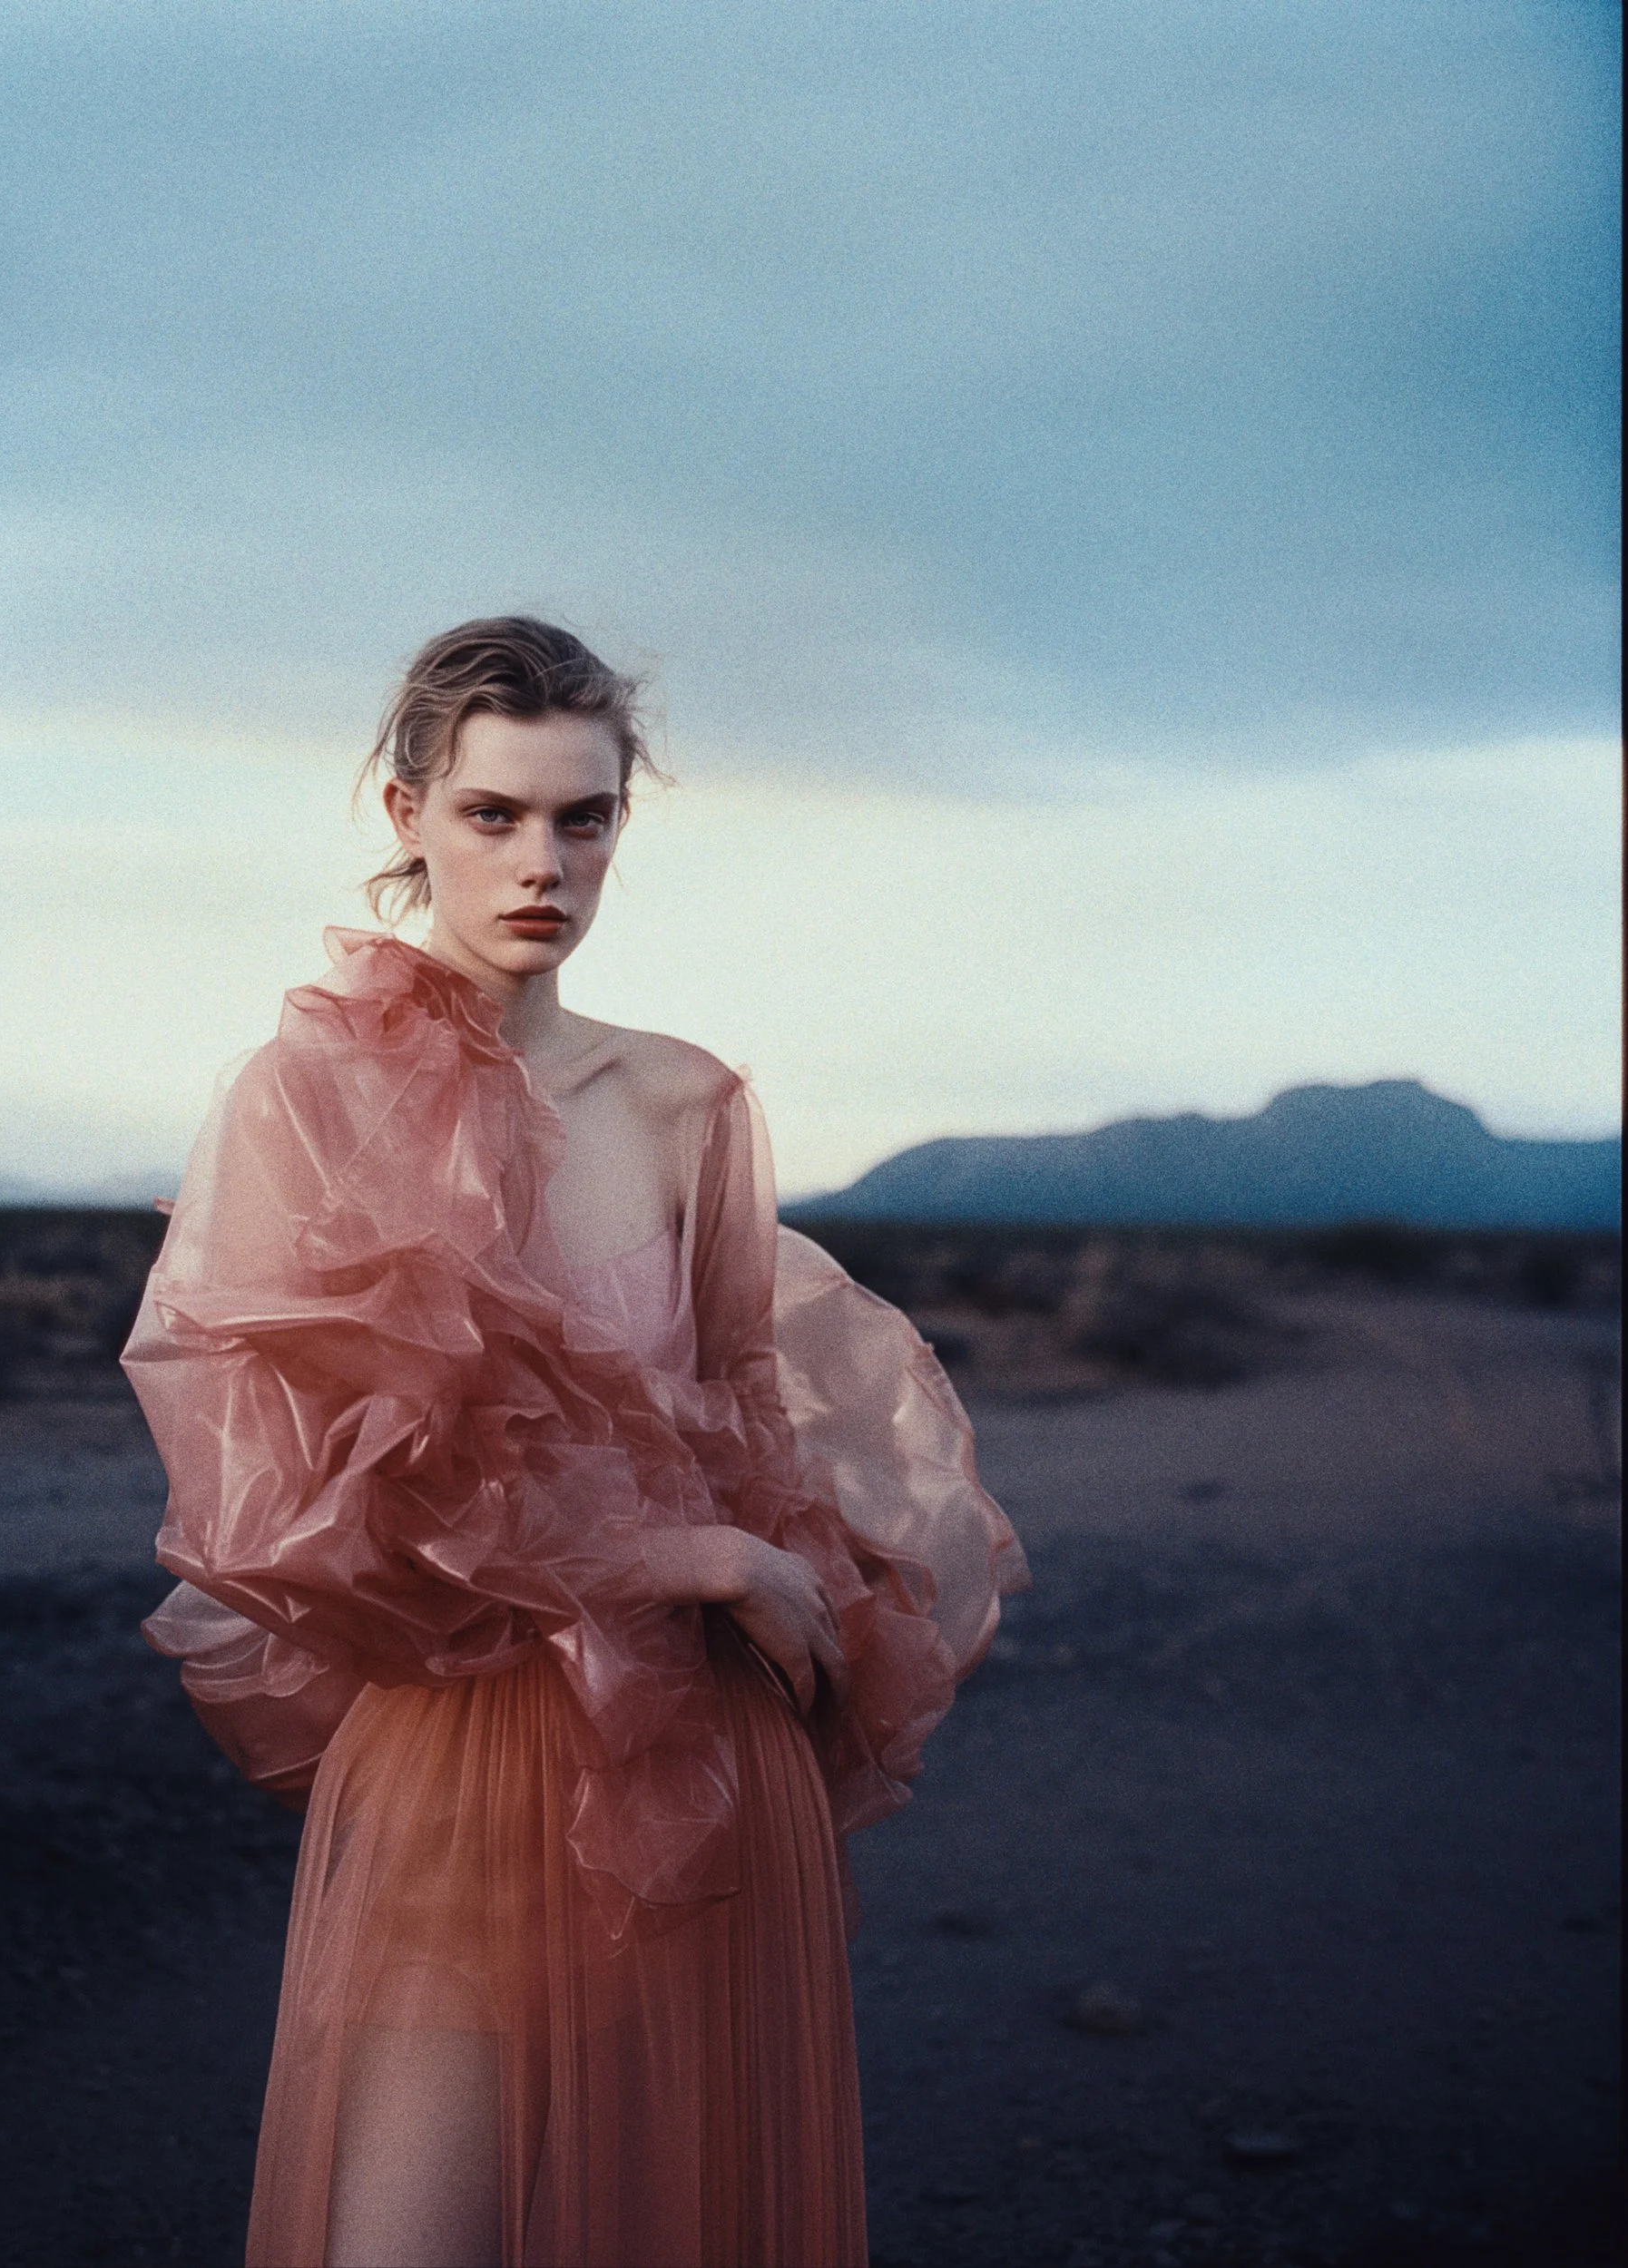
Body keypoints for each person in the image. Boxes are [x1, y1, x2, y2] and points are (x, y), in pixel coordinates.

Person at [125, 618, 1026, 2268]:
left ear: (622, 823)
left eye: (584, 817)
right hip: (465, 1750)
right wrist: (692, 1554)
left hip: (700, 1748)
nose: (542, 862)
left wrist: (792, 1578)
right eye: (493, 815)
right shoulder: (301, 1101)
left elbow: (745, 1430)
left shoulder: (682, 1107)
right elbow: (299, 1515)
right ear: (406, 814)